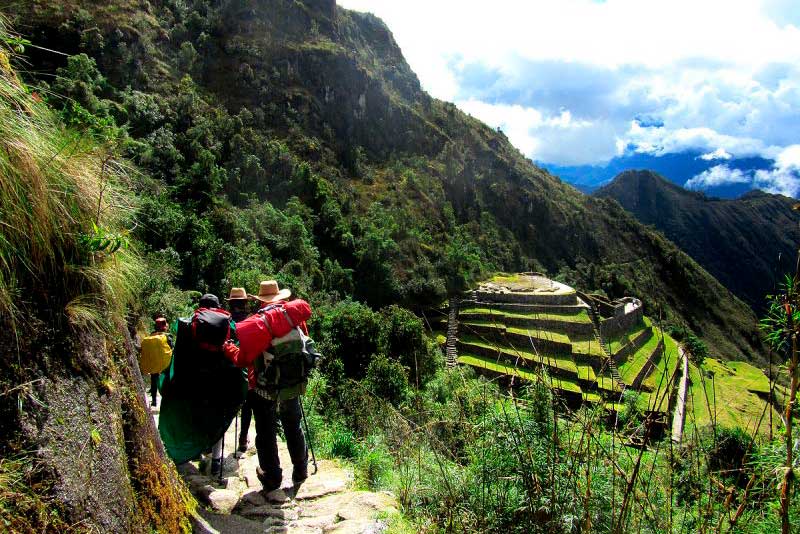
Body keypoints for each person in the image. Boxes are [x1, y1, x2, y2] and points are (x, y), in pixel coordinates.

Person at [224, 280, 310, 493]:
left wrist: (229, 349)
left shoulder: (258, 324)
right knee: (293, 424)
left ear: (261, 300)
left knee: (265, 431)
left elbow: (244, 359)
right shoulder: (294, 317)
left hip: (265, 388)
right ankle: (300, 469)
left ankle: (272, 477)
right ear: (281, 297)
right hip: (292, 383)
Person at [226, 287, 255, 454]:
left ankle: (214, 443)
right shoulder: (251, 320)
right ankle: (243, 439)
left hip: (229, 367)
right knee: (247, 405)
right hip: (247, 367)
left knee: (226, 405)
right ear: (245, 303)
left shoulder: (226, 321)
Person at [149, 316, 172, 407]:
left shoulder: (152, 335)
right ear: (165, 326)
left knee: (153, 381)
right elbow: (172, 348)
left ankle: (154, 400)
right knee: (166, 382)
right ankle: (166, 401)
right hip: (165, 363)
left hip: (154, 362)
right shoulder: (167, 336)